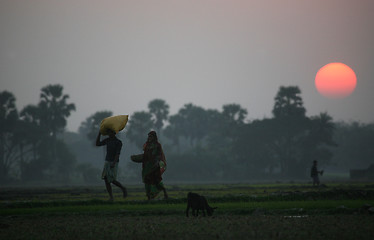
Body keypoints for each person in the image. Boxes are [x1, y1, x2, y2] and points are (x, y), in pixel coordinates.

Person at [96, 129, 127, 201]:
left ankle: (123, 188)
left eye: (110, 132)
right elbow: (97, 144)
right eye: (108, 132)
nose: (109, 134)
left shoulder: (118, 142)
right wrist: (99, 134)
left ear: (114, 133)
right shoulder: (107, 140)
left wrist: (114, 163)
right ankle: (111, 197)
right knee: (106, 179)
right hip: (107, 161)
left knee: (112, 179)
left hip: (114, 162)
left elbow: (117, 154)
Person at [142, 131, 168, 200]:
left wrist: (157, 162)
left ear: (154, 137)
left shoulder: (157, 145)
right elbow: (145, 155)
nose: (149, 138)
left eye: (151, 136)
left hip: (154, 165)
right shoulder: (146, 145)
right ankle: (149, 196)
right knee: (146, 180)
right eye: (149, 136)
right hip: (147, 166)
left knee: (156, 180)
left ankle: (164, 192)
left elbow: (159, 154)